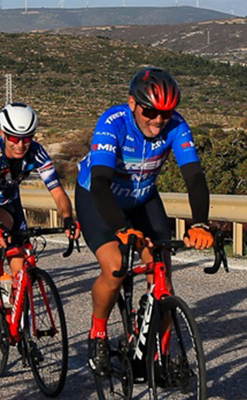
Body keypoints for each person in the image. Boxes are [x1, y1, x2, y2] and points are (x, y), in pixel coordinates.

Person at [75, 67, 214, 377]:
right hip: (100, 198)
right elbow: (100, 183)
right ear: (132, 103)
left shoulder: (176, 125)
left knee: (161, 274)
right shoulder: (113, 122)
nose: (159, 119)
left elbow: (194, 177)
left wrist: (200, 223)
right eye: (150, 111)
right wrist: (121, 229)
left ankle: (160, 355)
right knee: (115, 267)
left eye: (167, 112)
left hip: (143, 198)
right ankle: (98, 333)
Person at [0, 103, 79, 308]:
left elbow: (58, 192)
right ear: (3, 134)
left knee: (20, 267)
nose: (20, 144)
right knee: (3, 223)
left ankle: (17, 321)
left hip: (9, 198)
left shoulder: (36, 152)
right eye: (14, 138)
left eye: (26, 138)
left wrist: (68, 219)